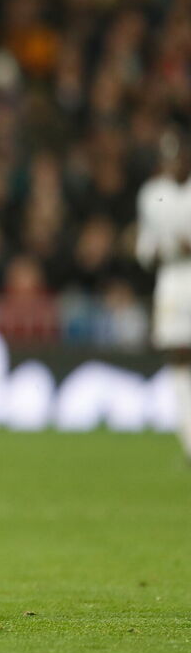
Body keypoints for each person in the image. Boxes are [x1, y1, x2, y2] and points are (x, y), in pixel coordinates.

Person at [136, 125, 191, 457]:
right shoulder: (151, 194)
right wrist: (163, 249)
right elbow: (145, 250)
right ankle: (188, 434)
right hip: (172, 282)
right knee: (178, 356)